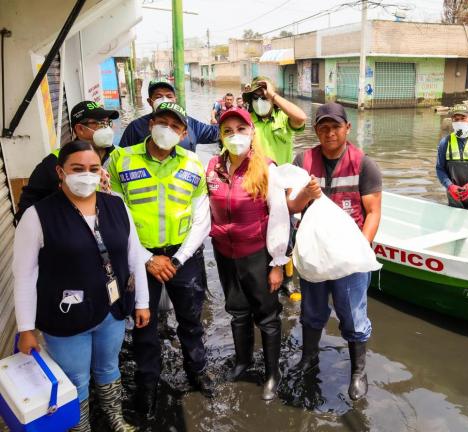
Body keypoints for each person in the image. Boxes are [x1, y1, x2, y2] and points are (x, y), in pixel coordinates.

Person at [13, 140, 150, 432]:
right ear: (61, 172)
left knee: (108, 368)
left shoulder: (116, 206)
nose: (86, 175)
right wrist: (26, 329)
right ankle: (80, 426)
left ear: (102, 172)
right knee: (75, 379)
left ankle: (115, 418)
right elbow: (24, 275)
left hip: (111, 311)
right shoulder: (37, 216)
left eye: (93, 168)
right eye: (77, 169)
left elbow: (134, 256)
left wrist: (142, 303)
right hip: (64, 318)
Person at [107, 102, 211, 416]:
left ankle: (197, 371)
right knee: (143, 324)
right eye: (162, 122)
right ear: (151, 124)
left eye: (176, 126)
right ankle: (147, 384)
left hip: (184, 256)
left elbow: (201, 219)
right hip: (139, 258)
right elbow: (116, 217)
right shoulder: (120, 160)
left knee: (191, 319)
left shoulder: (193, 164)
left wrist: (177, 259)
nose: (168, 129)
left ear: (183, 133)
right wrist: (148, 258)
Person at [287, 102, 382, 401]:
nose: (330, 133)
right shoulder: (303, 160)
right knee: (312, 312)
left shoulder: (364, 164)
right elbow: (291, 206)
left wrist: (361, 250)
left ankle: (357, 371)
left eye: (335, 127)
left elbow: (373, 212)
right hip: (314, 253)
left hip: (349, 256)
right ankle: (308, 359)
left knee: (353, 316)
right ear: (316, 130)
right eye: (323, 127)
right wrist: (306, 193)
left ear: (347, 129)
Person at [207, 108, 289, 401]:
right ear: (221, 136)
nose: (235, 135)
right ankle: (243, 362)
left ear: (252, 132)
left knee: (266, 316)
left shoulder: (266, 169)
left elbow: (279, 217)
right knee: (237, 310)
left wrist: (278, 263)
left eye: (241, 129)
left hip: (257, 254)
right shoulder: (213, 167)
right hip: (225, 255)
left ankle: (271, 373)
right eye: (227, 130)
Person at [15, 101, 119, 221]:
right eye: (100, 123)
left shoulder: (119, 155)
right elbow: (27, 206)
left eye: (107, 123)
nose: (106, 128)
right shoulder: (55, 162)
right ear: (80, 129)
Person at [118, 81, 219, 151]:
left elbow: (216, 133)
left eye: (169, 96)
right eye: (158, 96)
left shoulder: (189, 123)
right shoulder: (135, 127)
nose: (164, 99)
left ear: (175, 99)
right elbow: (122, 156)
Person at [242, 76, 307, 165]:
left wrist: (272, 95)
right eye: (255, 97)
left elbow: (301, 118)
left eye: (264, 97)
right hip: (257, 177)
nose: (259, 101)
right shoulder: (246, 121)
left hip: (282, 176)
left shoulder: (283, 118)